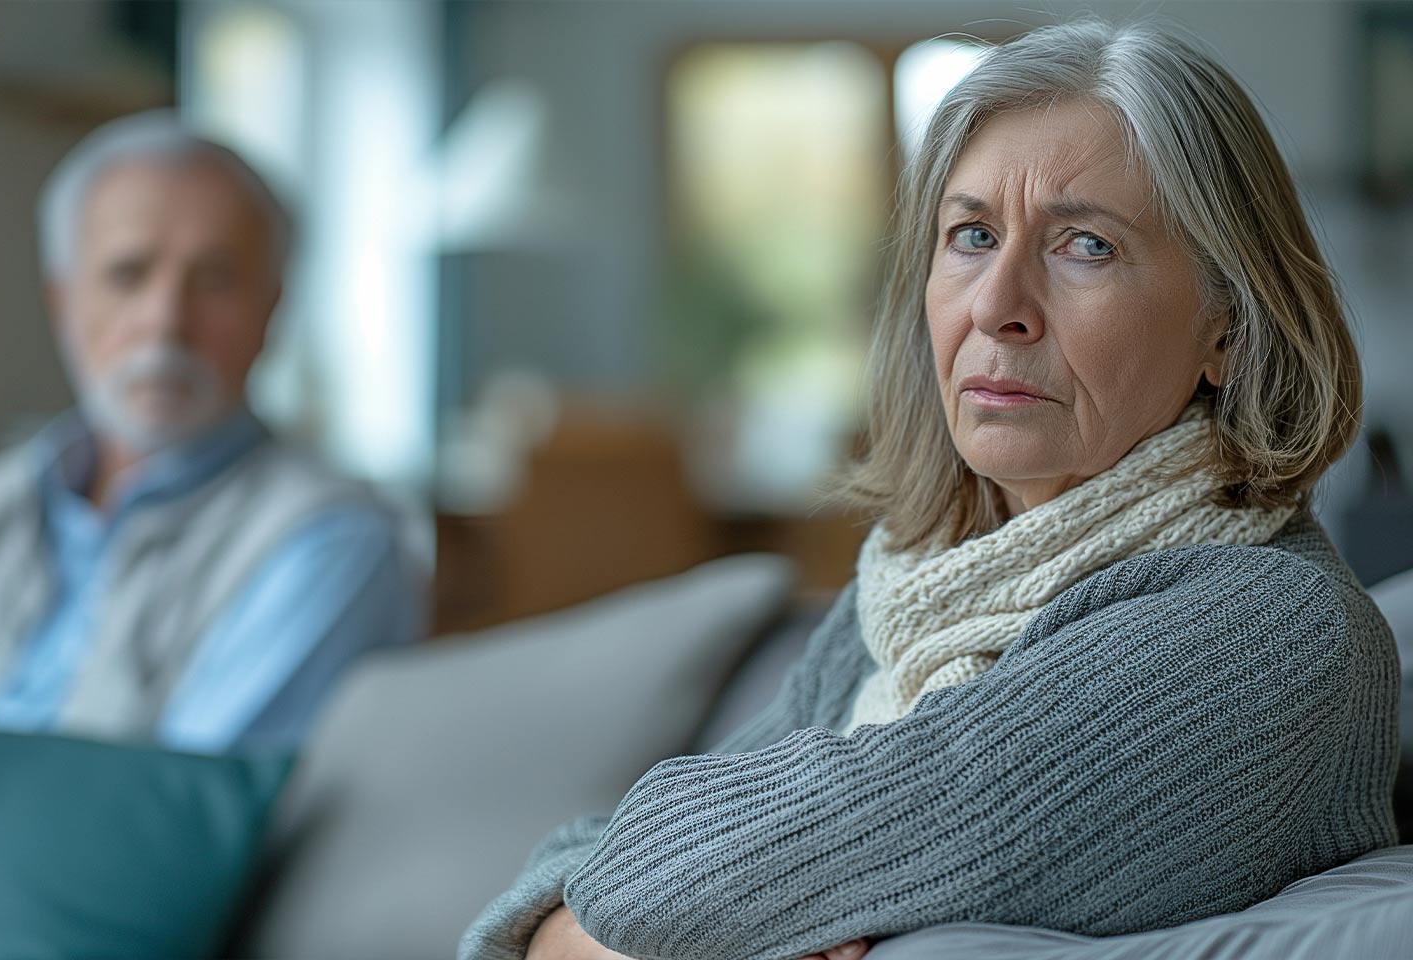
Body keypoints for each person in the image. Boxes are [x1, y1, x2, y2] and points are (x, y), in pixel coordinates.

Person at [460, 19, 1398, 960]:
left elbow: (659, 877)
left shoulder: (1270, 629)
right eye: (973, 235)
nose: (997, 305)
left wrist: (649, 920)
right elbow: (587, 864)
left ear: (1228, 329)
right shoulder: (917, 584)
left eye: (1086, 247)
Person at [0, 112, 426, 753]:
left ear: (272, 310)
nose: (165, 322)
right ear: (62, 300)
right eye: (128, 274)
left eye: (214, 281)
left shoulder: (329, 543)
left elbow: (167, 822)